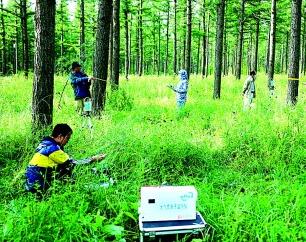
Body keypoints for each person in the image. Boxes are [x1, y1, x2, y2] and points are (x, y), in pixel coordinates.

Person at [25, 124, 106, 194]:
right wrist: (93, 159)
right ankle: (89, 187)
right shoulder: (52, 148)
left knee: (63, 168)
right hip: (38, 185)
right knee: (68, 169)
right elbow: (72, 163)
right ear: (60, 136)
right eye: (67, 138)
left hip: (30, 183)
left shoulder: (44, 144)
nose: (67, 141)